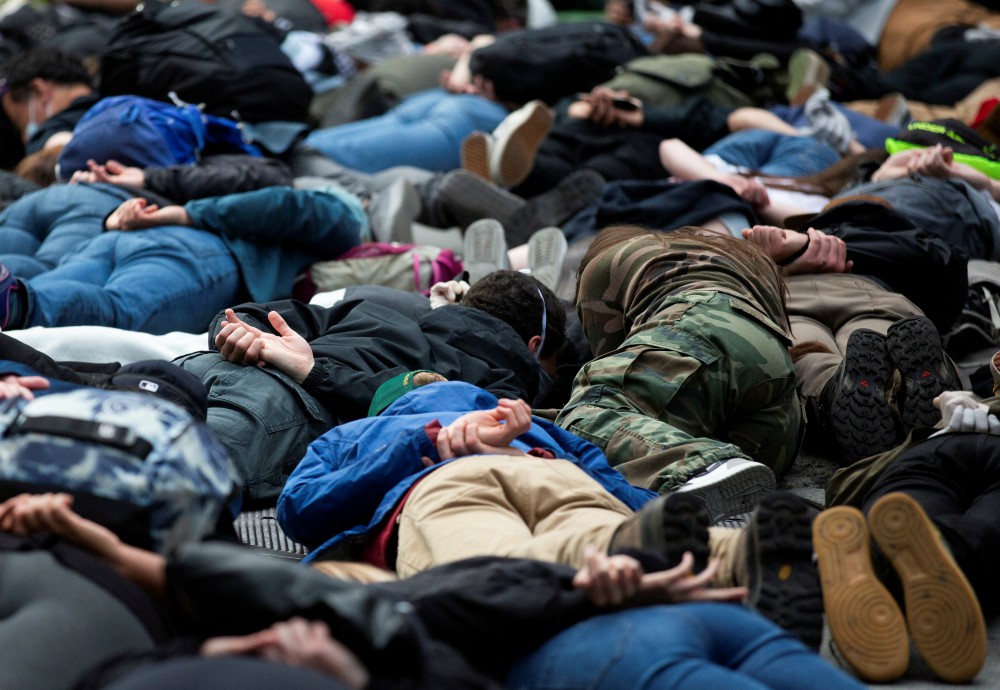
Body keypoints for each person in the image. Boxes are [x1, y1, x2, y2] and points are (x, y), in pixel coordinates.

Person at [0, 491, 869, 690]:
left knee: (585, 529)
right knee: (558, 540)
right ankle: (710, 559)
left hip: (585, 611)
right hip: (571, 631)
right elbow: (304, 500)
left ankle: (697, 554)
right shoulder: (400, 485)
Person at [179, 271, 566, 503]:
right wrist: (313, 372)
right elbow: (413, 405)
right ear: (534, 347)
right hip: (283, 409)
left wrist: (239, 337)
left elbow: (248, 315)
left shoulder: (372, 311)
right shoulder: (503, 386)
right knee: (146, 483)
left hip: (204, 367)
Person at [555, 225, 802, 520]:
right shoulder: (741, 256)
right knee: (660, 439)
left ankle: (703, 469)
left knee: (588, 415)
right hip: (777, 400)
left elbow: (611, 363)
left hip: (700, 329)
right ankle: (720, 492)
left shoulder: (605, 263)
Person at [0, 183, 366, 333]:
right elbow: (291, 204)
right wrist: (182, 213)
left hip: (122, 239)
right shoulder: (339, 213)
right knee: (118, 311)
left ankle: (14, 298)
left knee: (27, 305)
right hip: (199, 255)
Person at [0, 47, 99, 155]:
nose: (24, 139)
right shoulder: (116, 105)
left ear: (38, 91)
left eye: (20, 124)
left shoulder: (50, 138)